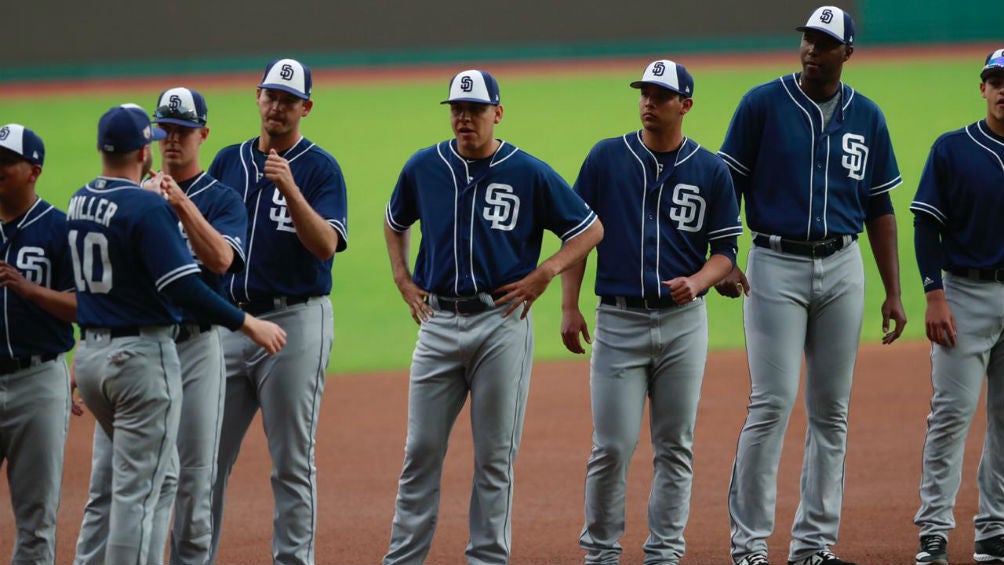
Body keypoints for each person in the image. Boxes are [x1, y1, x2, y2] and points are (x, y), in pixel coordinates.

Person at [382, 68, 603, 565]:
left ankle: (487, 559)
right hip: (437, 323)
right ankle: (402, 559)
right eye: (457, 109)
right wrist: (402, 278)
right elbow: (395, 221)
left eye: (475, 110)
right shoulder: (425, 166)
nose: (464, 118)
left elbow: (589, 229)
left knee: (494, 458)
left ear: (497, 114)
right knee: (420, 452)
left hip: (500, 324)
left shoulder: (527, 171)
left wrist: (546, 272)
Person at [713, 7, 907, 565]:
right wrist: (723, 257)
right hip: (775, 266)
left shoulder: (867, 116)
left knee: (832, 411)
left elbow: (879, 206)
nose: (811, 50)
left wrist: (893, 291)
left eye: (824, 43)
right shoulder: (761, 105)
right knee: (770, 404)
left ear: (848, 52)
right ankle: (749, 547)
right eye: (807, 40)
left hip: (844, 266)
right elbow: (728, 186)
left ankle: (813, 547)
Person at [69, 104, 285, 565]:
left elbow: (223, 262)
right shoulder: (138, 202)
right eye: (163, 129)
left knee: (191, 480)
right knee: (122, 484)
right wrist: (247, 323)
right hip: (146, 353)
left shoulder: (219, 199)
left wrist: (180, 205)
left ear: (202, 134)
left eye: (182, 129)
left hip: (193, 350)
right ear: (145, 146)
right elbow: (174, 284)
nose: (171, 138)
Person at [560, 59, 742, 565]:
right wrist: (570, 306)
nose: (648, 103)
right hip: (617, 321)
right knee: (612, 446)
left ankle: (664, 551)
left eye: (660, 96)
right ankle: (601, 551)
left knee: (675, 445)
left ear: (685, 105)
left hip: (684, 326)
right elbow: (577, 238)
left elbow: (726, 249)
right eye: (643, 94)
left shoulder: (711, 170)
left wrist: (700, 282)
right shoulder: (605, 159)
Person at [206, 58, 348, 565]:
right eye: (271, 95)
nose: (278, 106)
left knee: (291, 461)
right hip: (229, 321)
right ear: (257, 97)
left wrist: (290, 188)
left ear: (305, 107)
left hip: (295, 323)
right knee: (204, 461)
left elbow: (326, 245)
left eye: (289, 99)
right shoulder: (226, 162)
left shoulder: (319, 168)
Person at [910, 48, 1004, 565]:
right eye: (996, 80)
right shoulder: (953, 149)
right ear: (983, 88)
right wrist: (934, 293)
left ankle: (994, 530)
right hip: (963, 296)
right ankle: (934, 533)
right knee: (951, 416)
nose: (1003, 89)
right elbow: (927, 225)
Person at [0, 124, 76, 565]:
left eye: (5, 162)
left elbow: (87, 307)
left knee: (35, 521)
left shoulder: (59, 229)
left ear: (33, 170)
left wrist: (30, 291)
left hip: (38, 382)